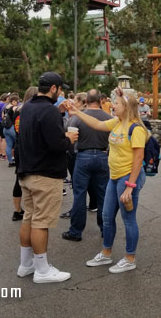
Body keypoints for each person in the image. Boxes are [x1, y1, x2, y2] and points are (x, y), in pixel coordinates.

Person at [68, 87, 148, 274]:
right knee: (106, 216)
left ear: (127, 107)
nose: (113, 106)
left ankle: (130, 258)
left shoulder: (135, 128)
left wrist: (130, 186)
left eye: (117, 104)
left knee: (128, 219)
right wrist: (77, 111)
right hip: (113, 176)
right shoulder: (118, 123)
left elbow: (138, 159)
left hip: (127, 178)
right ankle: (106, 253)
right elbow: (96, 123)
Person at [16, 72, 78, 284]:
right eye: (59, 89)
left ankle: (26, 265)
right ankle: (42, 269)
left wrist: (57, 111)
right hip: (46, 175)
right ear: (53, 89)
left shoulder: (28, 108)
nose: (60, 93)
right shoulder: (48, 112)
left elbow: (39, 128)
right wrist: (69, 138)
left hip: (26, 172)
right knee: (41, 222)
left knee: (29, 218)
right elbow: (57, 145)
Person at [62, 90, 112, 242]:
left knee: (79, 194)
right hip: (103, 156)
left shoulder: (78, 117)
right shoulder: (108, 117)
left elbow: (67, 131)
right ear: (101, 101)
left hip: (83, 155)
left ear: (87, 101)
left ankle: (76, 231)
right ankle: (105, 229)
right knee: (103, 194)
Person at [11, 86, 38, 221]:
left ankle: (17, 210)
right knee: (34, 177)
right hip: (30, 147)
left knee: (19, 178)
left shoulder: (18, 111)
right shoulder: (34, 112)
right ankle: (32, 208)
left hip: (18, 146)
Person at [3, 93, 20, 167]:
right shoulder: (13, 107)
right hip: (12, 128)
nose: (17, 103)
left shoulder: (5, 107)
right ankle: (17, 160)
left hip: (5, 128)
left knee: (9, 145)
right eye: (17, 101)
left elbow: (2, 117)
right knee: (18, 143)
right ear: (13, 101)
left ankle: (10, 161)